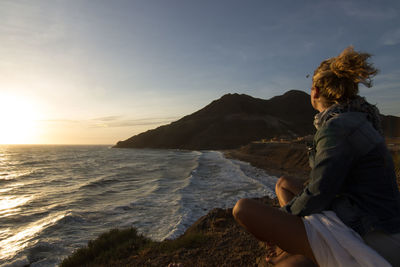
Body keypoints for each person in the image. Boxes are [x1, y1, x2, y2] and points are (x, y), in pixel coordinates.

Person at [233, 46, 400, 267]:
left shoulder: (337, 127)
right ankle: (296, 248)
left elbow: (320, 192)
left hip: (372, 237)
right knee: (283, 183)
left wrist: (282, 220)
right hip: (363, 216)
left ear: (316, 92)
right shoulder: (357, 118)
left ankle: (296, 251)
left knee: (243, 209)